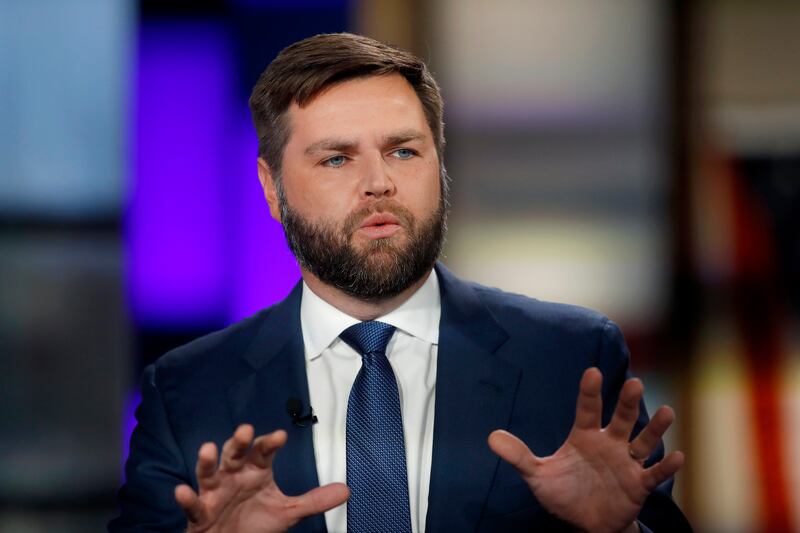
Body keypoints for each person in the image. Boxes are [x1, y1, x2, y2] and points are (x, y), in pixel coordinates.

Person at [110, 33, 691, 533]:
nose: (379, 182)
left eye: (404, 151)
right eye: (337, 159)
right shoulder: (188, 391)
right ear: (271, 187)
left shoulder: (570, 359)